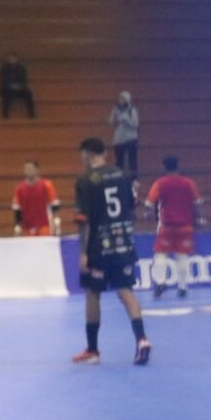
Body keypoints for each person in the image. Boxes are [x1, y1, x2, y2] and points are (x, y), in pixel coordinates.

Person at [70, 137, 150, 366]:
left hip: (98, 245)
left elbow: (83, 220)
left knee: (93, 293)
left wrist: (83, 252)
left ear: (86, 154)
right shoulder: (123, 175)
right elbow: (132, 205)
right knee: (126, 291)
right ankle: (142, 339)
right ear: (104, 153)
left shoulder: (85, 180)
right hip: (123, 241)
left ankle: (93, 349)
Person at [145, 155, 204, 299]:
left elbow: (149, 204)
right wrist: (200, 219)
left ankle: (160, 282)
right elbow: (197, 203)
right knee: (182, 256)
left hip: (166, 226)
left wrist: (148, 216)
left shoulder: (160, 183)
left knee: (160, 254)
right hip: (186, 226)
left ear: (163, 167)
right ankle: (183, 287)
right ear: (178, 166)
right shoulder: (188, 183)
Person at [13, 160, 61, 236]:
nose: (28, 171)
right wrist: (17, 228)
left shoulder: (47, 185)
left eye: (30, 169)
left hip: (45, 226)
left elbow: (55, 207)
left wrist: (57, 224)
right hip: (28, 228)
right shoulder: (19, 189)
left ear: (37, 170)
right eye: (26, 169)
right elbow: (17, 210)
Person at [109, 91, 140, 176]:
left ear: (127, 100)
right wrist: (115, 119)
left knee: (132, 161)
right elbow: (111, 121)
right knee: (119, 161)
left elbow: (135, 124)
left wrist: (126, 120)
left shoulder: (132, 109)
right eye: (120, 98)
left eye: (122, 98)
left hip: (131, 138)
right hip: (119, 139)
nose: (120, 100)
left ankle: (134, 179)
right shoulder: (116, 108)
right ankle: (119, 179)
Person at [0, 52, 36, 118]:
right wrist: (11, 86)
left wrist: (20, 86)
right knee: (6, 96)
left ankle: (32, 115)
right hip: (7, 88)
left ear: (16, 59)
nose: (12, 60)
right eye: (10, 58)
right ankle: (5, 116)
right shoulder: (4, 68)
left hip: (19, 88)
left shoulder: (21, 68)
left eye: (13, 58)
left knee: (28, 94)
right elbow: (3, 80)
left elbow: (24, 80)